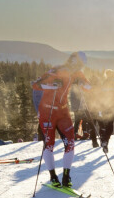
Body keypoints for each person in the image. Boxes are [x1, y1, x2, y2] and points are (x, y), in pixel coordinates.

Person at [36, 52, 91, 187]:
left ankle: (66, 176)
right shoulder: (57, 69)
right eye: (76, 63)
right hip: (47, 111)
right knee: (49, 144)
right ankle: (53, 176)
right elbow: (36, 84)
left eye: (79, 65)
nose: (77, 67)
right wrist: (52, 84)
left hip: (63, 112)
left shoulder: (77, 73)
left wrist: (82, 82)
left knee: (70, 142)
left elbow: (89, 88)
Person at [95, 69, 114, 154]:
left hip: (107, 109)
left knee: (109, 128)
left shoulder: (103, 86)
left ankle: (105, 142)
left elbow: (99, 98)